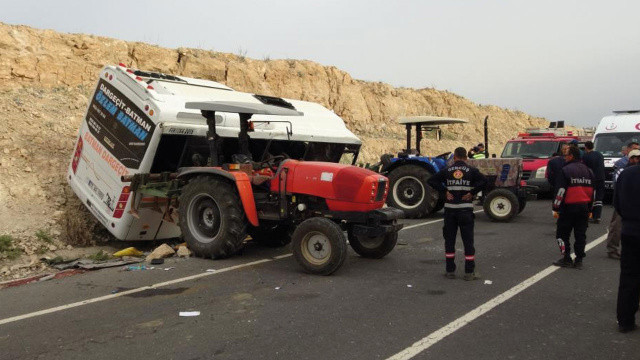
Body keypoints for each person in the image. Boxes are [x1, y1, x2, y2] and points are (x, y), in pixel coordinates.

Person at [428, 147, 487, 280]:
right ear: (466, 158)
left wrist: (444, 192)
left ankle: (450, 271)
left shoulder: (447, 171)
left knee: (449, 241)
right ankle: (469, 272)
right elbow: (484, 181)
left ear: (454, 157)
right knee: (468, 241)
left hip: (450, 211)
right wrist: (472, 192)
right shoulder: (472, 171)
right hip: (465, 211)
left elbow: (431, 180)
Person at [552, 146, 594, 269]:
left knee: (561, 234)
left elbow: (560, 191)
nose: (564, 157)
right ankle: (579, 260)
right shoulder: (589, 171)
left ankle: (566, 258)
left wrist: (555, 207)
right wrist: (590, 209)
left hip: (568, 208)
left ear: (571, 156)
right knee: (580, 235)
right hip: (584, 209)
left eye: (566, 155)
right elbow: (593, 193)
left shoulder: (565, 170)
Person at [614, 150, 640, 333]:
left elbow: (618, 203)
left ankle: (625, 320)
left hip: (631, 231)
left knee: (629, 277)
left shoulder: (627, 174)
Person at [607, 150, 640, 259]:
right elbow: (617, 187)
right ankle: (612, 249)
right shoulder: (623, 171)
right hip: (624, 203)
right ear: (630, 159)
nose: (637, 160)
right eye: (635, 157)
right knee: (616, 227)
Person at [582, 141, 605, 223]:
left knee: (590, 197)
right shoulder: (599, 154)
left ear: (585, 147)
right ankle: (597, 216)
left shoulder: (586, 156)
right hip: (601, 177)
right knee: (599, 198)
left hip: (592, 178)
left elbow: (585, 168)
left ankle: (589, 215)